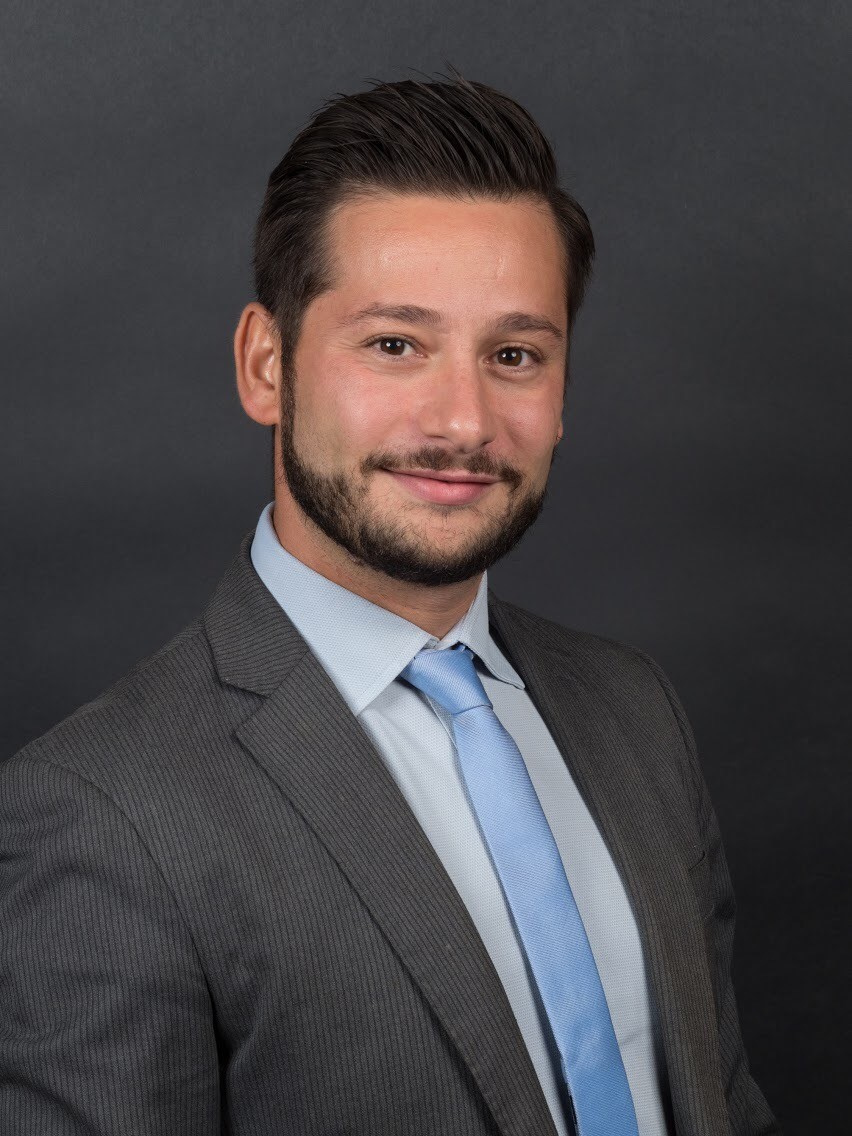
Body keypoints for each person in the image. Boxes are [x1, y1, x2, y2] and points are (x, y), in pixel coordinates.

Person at [0, 74, 780, 1136]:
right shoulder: (102, 814)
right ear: (265, 364)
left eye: (514, 355)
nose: (463, 421)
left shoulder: (634, 709)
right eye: (395, 344)